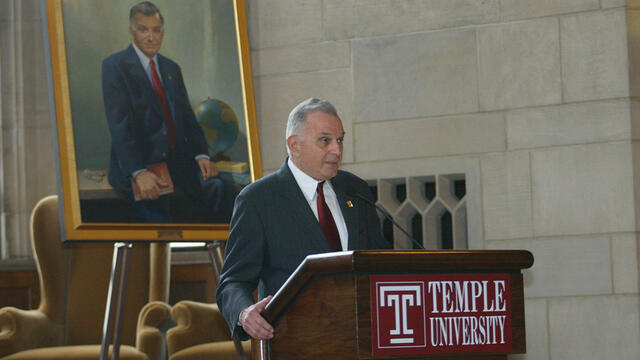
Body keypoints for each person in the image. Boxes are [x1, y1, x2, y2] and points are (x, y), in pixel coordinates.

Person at [216, 98, 391, 341]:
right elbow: (232, 282)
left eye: (340, 140)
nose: (337, 150)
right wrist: (244, 313)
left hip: (361, 338)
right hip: (294, 341)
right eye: (325, 140)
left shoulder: (356, 190)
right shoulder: (258, 200)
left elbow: (381, 264)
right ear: (294, 145)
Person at [101, 1, 233, 223]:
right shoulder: (115, 67)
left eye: (156, 30)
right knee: (159, 216)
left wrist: (201, 155)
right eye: (144, 30)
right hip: (139, 166)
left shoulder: (171, 69)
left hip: (177, 164)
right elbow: (119, 126)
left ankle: (222, 255)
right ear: (132, 31)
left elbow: (188, 119)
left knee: (219, 190)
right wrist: (138, 172)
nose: (151, 37)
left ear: (162, 32)